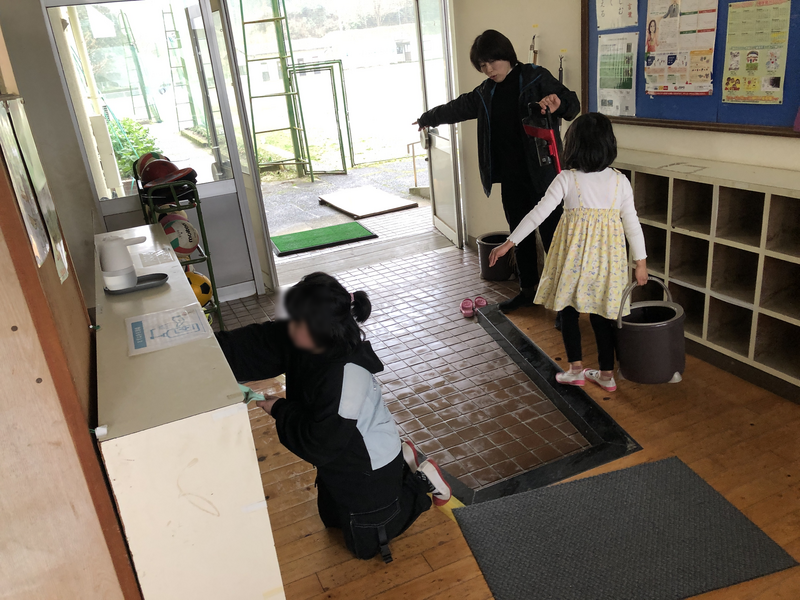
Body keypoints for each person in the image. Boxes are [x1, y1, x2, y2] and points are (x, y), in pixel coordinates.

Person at [215, 272, 451, 561]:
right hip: (343, 447)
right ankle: (402, 465)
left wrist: (278, 408)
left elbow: (320, 443)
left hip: (368, 459)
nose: (285, 325)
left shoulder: (345, 378)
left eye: (295, 321)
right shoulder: (311, 336)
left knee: (366, 546)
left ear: (320, 328)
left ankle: (421, 481)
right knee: (332, 519)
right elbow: (254, 344)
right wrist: (205, 351)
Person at [414, 29, 580, 313]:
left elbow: (572, 105)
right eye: (482, 65)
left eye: (493, 61)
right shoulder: (486, 93)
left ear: (507, 56)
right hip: (511, 179)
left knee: (553, 239)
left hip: (544, 176)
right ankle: (528, 292)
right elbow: (457, 107)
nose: (489, 69)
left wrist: (559, 104)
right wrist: (427, 118)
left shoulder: (536, 78)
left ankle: (563, 304)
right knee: (519, 236)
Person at [488, 113, 647, 392]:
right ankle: (607, 374)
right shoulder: (620, 181)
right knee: (603, 315)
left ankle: (575, 370)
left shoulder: (567, 179)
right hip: (606, 264)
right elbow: (632, 224)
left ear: (573, 145)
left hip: (573, 261)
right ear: (608, 144)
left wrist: (509, 242)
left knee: (569, 311)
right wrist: (640, 262)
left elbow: (537, 214)